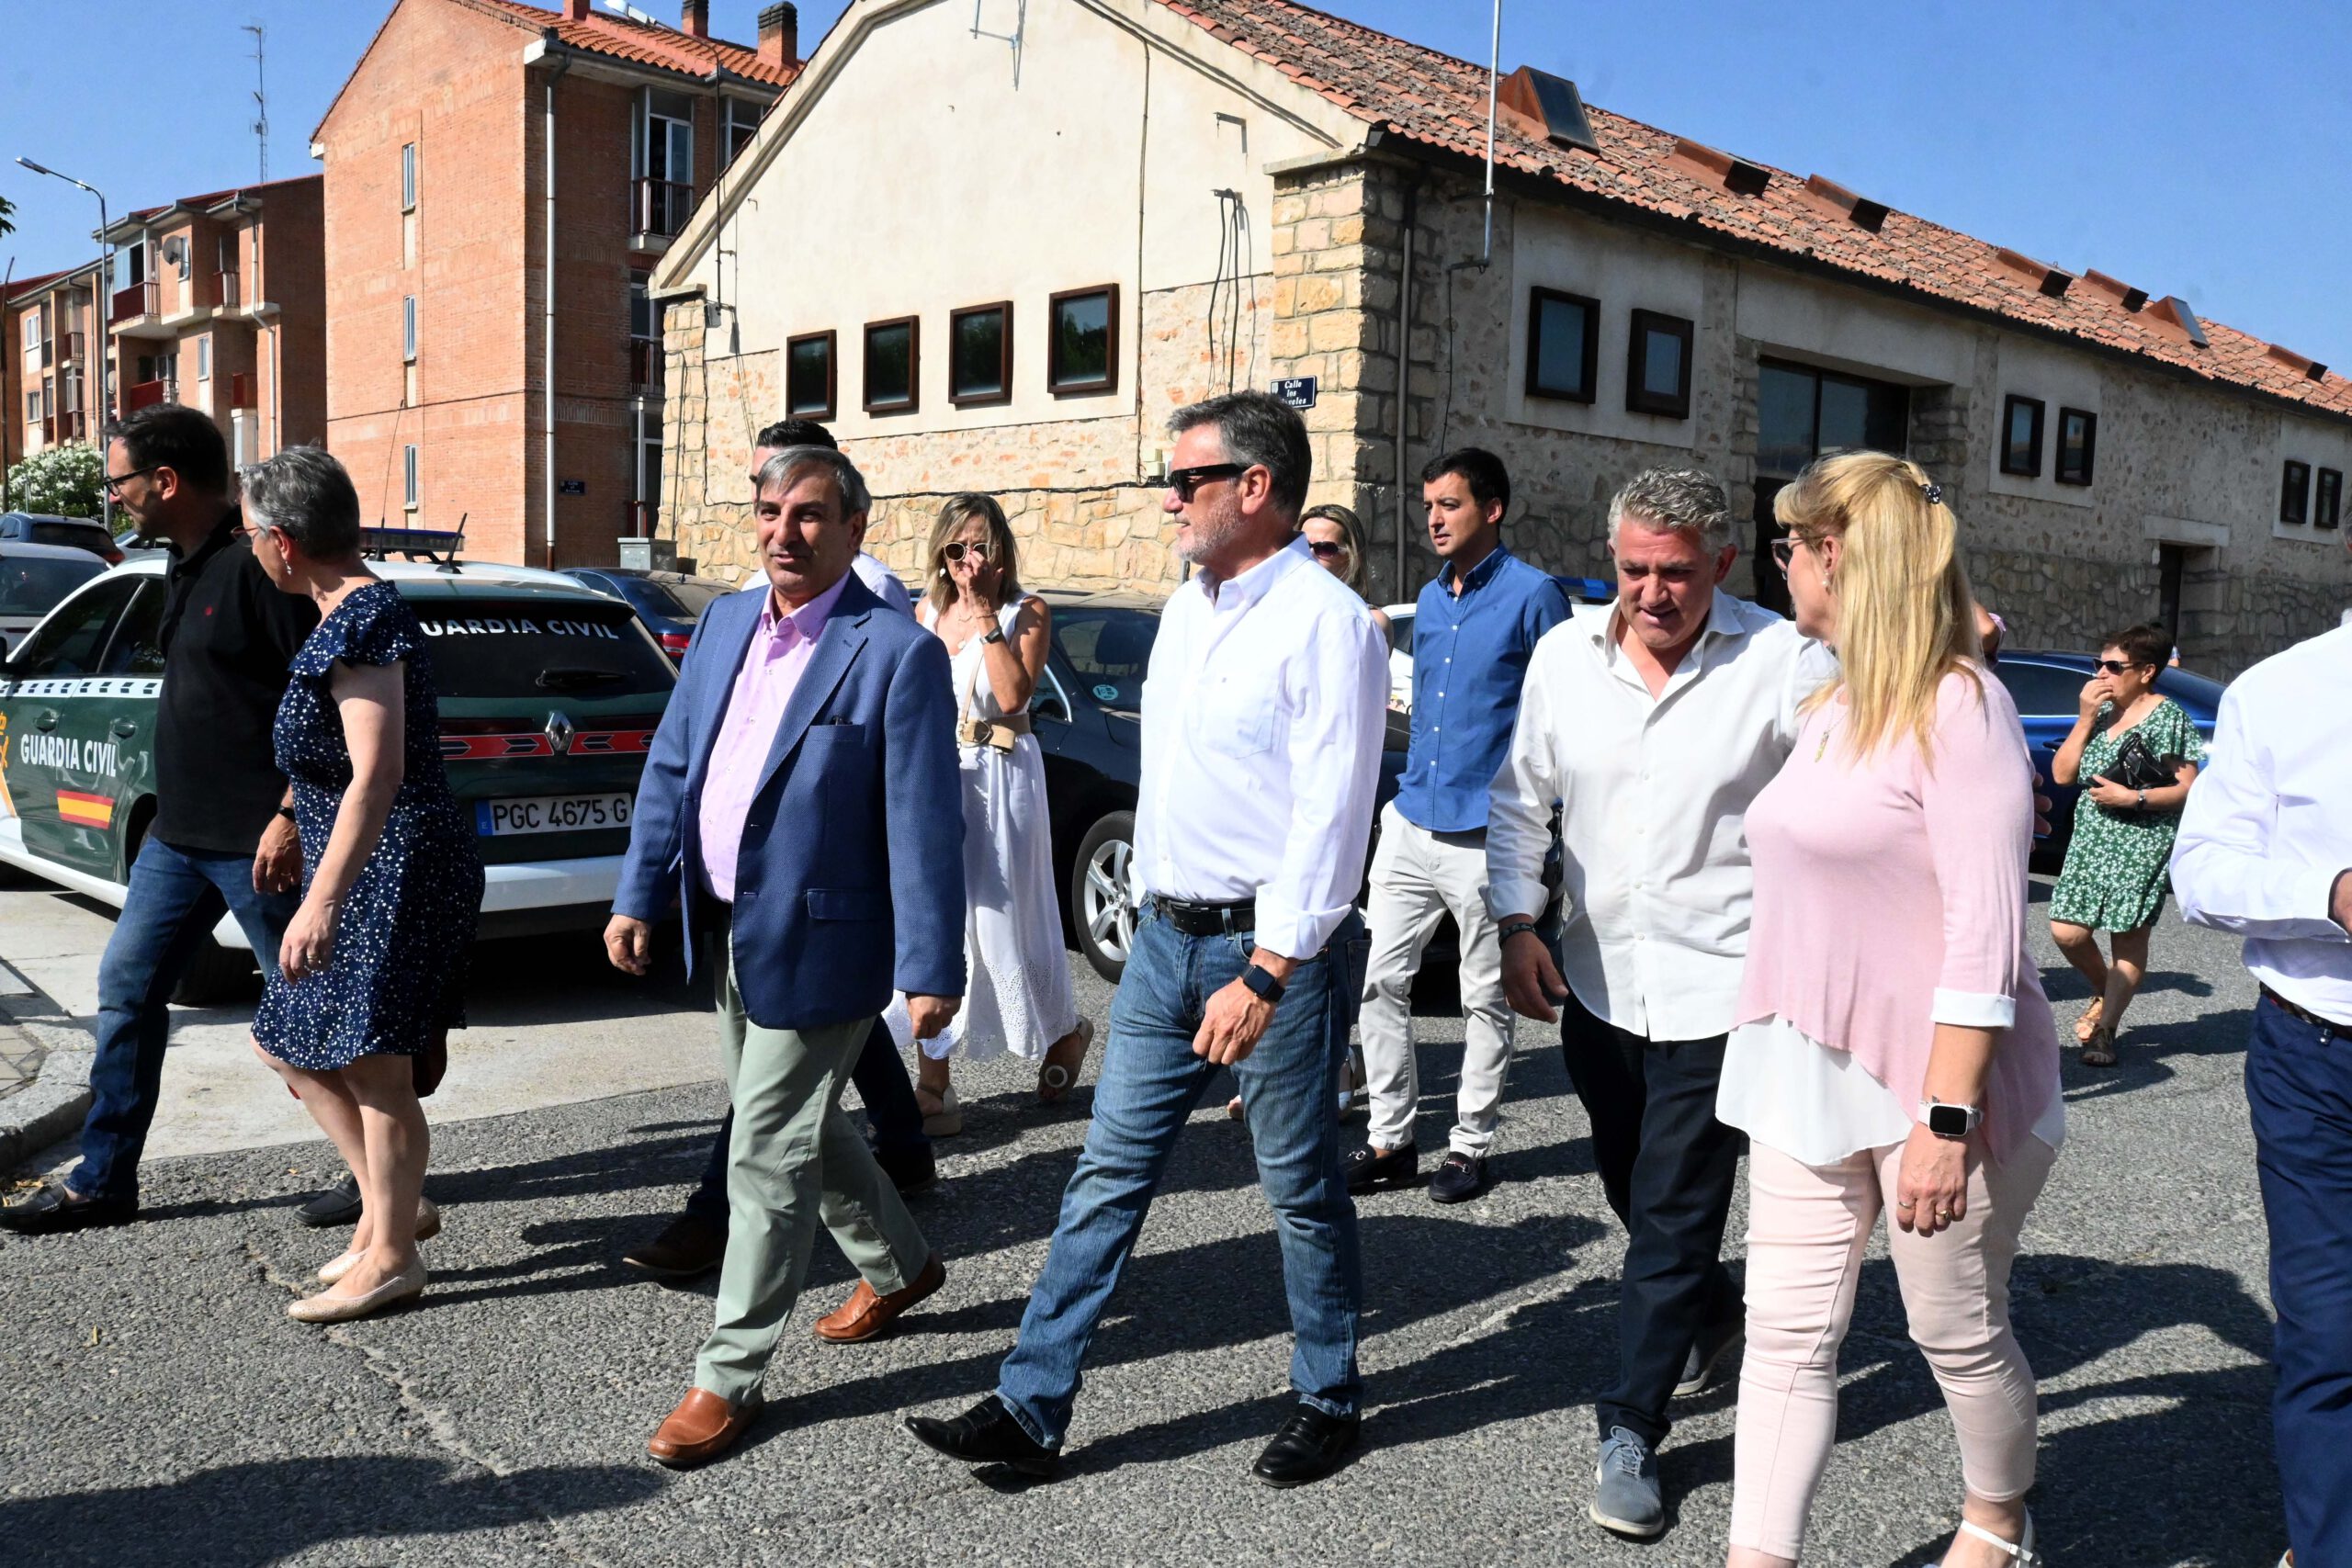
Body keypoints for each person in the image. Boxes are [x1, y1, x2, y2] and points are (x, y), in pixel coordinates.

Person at [906, 390, 1387, 1487]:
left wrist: (1267, 972)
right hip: (1167, 947)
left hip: (1270, 958)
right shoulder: (1188, 607)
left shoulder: (1326, 623)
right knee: (1106, 1177)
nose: (1167, 498)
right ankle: (1032, 1404)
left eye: (1187, 481)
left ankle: (1329, 1392)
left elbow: (1331, 817)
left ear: (1254, 489)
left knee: (1299, 1183)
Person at [1717, 453, 2062, 1568]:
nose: (1780, 571)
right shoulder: (1833, 699)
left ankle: (1996, 1521)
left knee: (1953, 1333)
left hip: (1937, 1085)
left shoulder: (1962, 705)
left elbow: (1984, 932)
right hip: (1802, 1059)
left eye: (1787, 548)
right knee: (1783, 1336)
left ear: (1832, 556)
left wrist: (1943, 1124)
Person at [1490, 467, 1835, 1539]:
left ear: (1722, 567)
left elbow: (1858, 782)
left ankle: (1630, 1427)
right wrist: (1513, 926)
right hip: (1597, 984)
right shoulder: (1563, 658)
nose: (1652, 592)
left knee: (1674, 1211)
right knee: (1633, 1192)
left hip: (1724, 992)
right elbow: (1520, 804)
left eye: (1675, 573)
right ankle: (1710, 1310)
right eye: (1633, 570)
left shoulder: (1782, 663)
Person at [607, 444, 965, 1469]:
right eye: (770, 511)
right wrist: (640, 890)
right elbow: (676, 764)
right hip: (725, 923)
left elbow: (922, 820)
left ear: (855, 528)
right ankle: (899, 1265)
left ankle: (728, 1376)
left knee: (764, 1147)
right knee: (801, 1123)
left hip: (828, 936)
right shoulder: (722, 624)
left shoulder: (895, 652)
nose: (783, 532)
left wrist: (934, 963)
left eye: (809, 515)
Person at [1, 407, 318, 1236]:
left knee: (314, 1014)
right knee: (128, 989)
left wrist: (289, 811)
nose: (115, 499)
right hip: (178, 838)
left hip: (260, 844)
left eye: (120, 483)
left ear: (166, 481)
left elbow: (317, 694)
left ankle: (381, 1175)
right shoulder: (179, 563)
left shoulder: (261, 564)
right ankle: (104, 1180)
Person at [232, 448, 484, 1323]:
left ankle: (391, 1254)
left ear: (286, 540)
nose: (249, 546)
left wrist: (322, 896)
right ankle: (393, 1208)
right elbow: (333, 765)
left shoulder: (366, 619)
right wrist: (288, 816)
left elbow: (377, 776)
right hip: (369, 858)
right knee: (289, 1040)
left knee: (375, 1068)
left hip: (396, 867)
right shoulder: (339, 612)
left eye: (252, 532)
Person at [2172, 610, 2352, 1568]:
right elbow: (2199, 873)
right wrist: (2329, 894)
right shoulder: (2280, 690)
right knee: (2329, 1336)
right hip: (2320, 1055)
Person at [1349, 449, 1570, 1202]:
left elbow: (1557, 724)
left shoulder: (1536, 597)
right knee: (1378, 981)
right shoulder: (1429, 597)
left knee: (1484, 996)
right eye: (1429, 505)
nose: (1434, 518)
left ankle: (1469, 1144)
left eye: (1450, 504)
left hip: (1487, 834)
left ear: (1493, 509)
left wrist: (1546, 842)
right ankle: (1390, 1138)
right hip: (1412, 820)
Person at [887, 492, 1091, 1134]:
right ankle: (934, 1083)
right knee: (933, 916)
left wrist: (983, 617)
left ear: (1000, 551)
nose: (967, 560)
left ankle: (1065, 1029)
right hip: (939, 776)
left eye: (978, 546)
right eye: (955, 549)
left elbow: (1010, 694)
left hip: (1002, 774)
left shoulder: (1024, 612)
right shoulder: (925, 613)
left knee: (1012, 917)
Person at [2046, 623, 2204, 1067]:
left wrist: (2132, 797)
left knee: (2127, 939)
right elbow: (2061, 775)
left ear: (2147, 671)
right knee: (2067, 931)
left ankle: (2105, 1031)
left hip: (2141, 840)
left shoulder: (2167, 717)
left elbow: (2188, 788)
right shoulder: (2099, 713)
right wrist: (2082, 719)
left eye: (2114, 667)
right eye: (2099, 664)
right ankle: (2104, 988)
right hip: (2092, 838)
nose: (2102, 674)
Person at [1300, 502, 1392, 638]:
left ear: (1352, 557)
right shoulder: (1277, 606)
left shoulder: (1368, 621)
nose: (1310, 554)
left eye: (1324, 548)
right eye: (1302, 545)